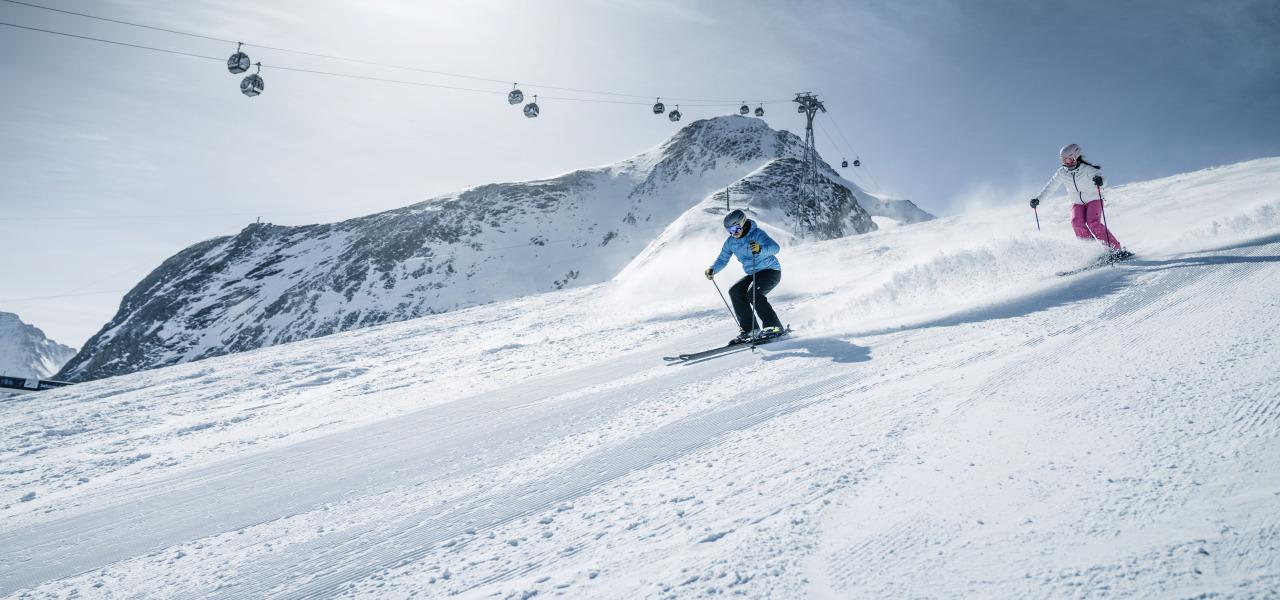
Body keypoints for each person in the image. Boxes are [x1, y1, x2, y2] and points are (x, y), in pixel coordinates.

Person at [1030, 143, 1133, 260]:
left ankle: (1116, 250)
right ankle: (1094, 251)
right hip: (1076, 202)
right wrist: (1038, 199)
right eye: (1064, 159)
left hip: (1093, 199)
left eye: (1070, 158)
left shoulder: (1087, 169)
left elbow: (1103, 180)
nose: (1067, 162)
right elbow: (1050, 187)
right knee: (1076, 223)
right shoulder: (1061, 173)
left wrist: (1100, 181)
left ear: (1076, 156)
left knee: (1093, 223)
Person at [704, 209, 785, 344]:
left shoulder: (757, 234)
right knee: (735, 291)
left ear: (742, 224)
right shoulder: (731, 242)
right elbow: (723, 259)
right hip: (753, 274)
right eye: (729, 230)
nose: (733, 233)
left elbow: (775, 248)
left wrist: (760, 249)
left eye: (735, 228)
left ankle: (774, 326)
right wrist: (712, 269)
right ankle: (750, 330)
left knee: (754, 293)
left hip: (770, 271)